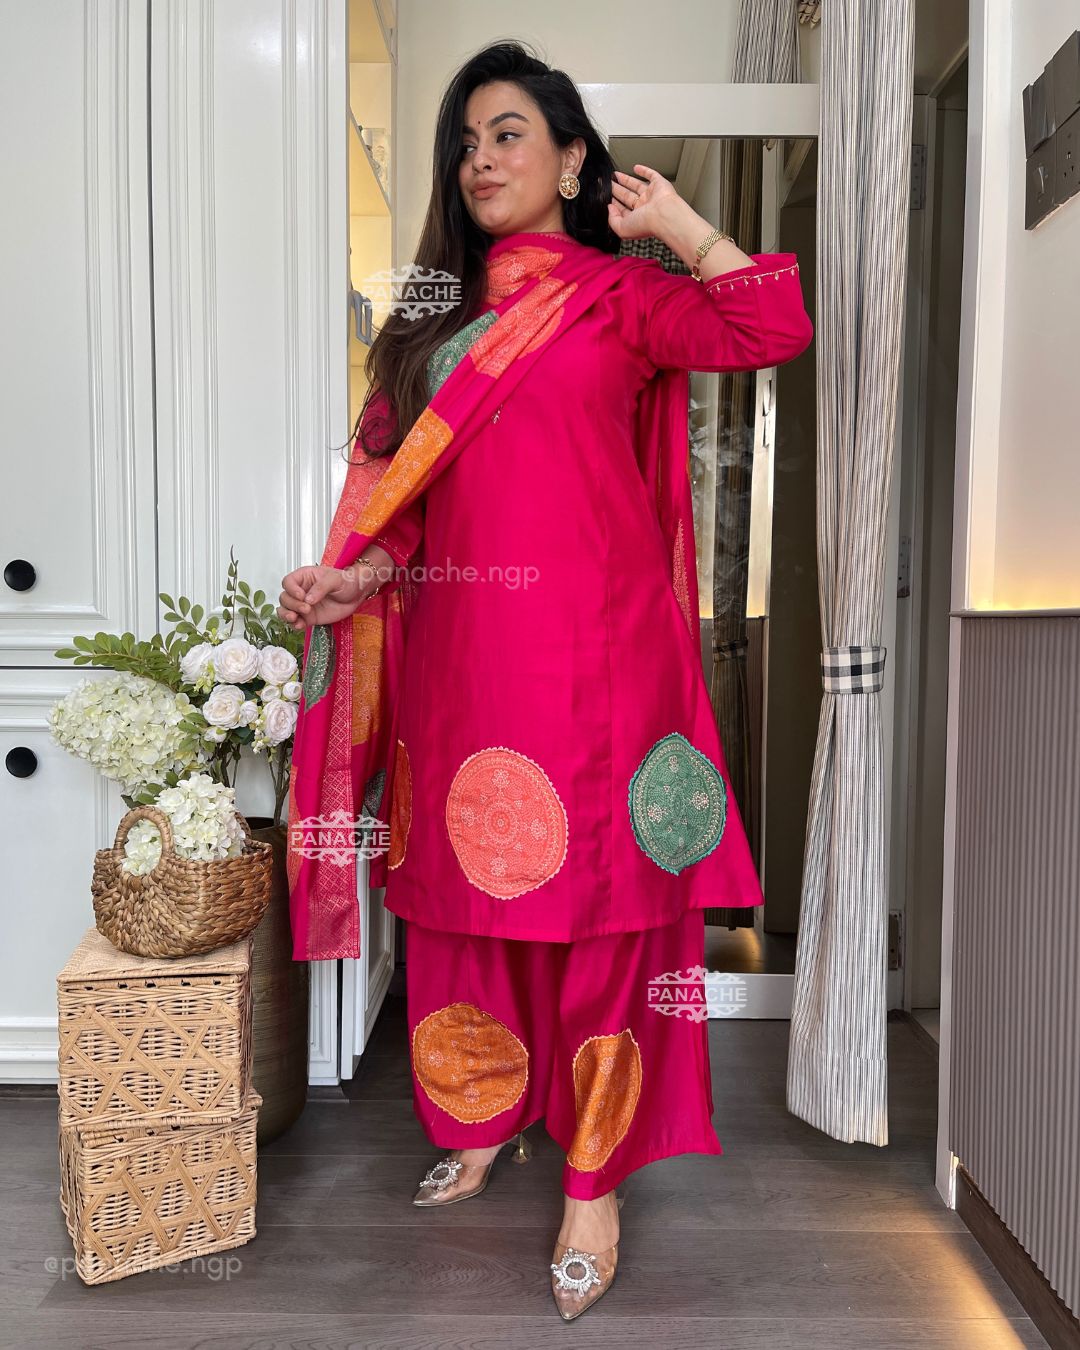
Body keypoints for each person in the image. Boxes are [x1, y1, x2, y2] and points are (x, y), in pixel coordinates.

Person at [278, 40, 812, 1322]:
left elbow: (770, 326)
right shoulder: (428, 330)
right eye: (466, 143)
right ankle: (483, 1118)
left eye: (508, 134)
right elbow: (405, 515)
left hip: (604, 666)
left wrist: (674, 222)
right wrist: (353, 578)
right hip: (464, 665)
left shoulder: (620, 297)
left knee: (602, 917)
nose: (480, 160)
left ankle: (593, 1179)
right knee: (465, 908)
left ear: (573, 157)